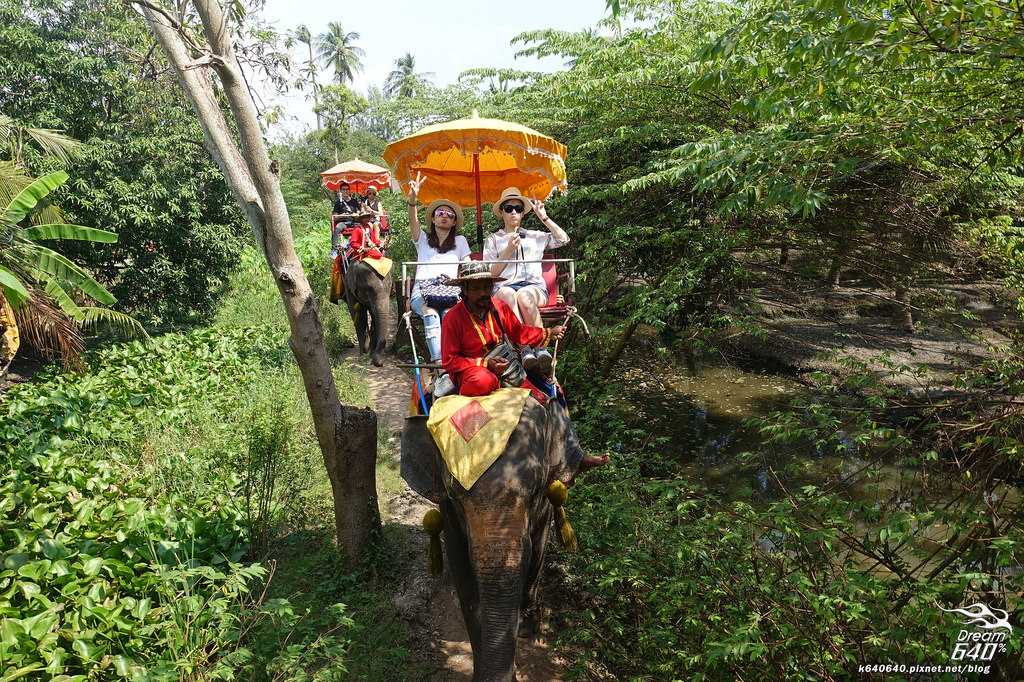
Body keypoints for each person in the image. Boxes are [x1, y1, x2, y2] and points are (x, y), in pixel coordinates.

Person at [441, 260, 609, 473]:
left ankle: (574, 454)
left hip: (507, 366)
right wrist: (485, 364)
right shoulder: (452, 318)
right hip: (473, 372)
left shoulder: (498, 307)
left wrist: (548, 333)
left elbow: (519, 332)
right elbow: (449, 361)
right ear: (464, 290)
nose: (483, 292)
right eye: (476, 288)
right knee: (483, 381)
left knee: (548, 396)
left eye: (486, 286)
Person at [483, 186, 570, 376]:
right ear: (502, 213)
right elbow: (490, 274)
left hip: (533, 289)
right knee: (508, 293)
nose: (514, 212)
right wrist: (507, 251)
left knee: (523, 295)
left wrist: (544, 218)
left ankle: (540, 346)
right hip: (503, 287)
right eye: (509, 208)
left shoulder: (535, 236)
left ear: (523, 213)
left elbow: (563, 239)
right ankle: (525, 348)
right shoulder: (493, 240)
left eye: (518, 208)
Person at [406, 172, 471, 365]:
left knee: (450, 315)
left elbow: (467, 264)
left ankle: (455, 360)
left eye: (449, 215)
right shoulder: (423, 240)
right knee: (431, 313)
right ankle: (439, 364)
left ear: (454, 222)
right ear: (433, 219)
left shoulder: (460, 241)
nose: (444, 216)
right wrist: (412, 201)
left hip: (449, 289)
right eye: (440, 213)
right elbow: (413, 222)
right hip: (423, 290)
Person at [331, 183, 361, 250]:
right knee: (337, 228)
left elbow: (359, 212)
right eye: (343, 189)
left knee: (363, 227)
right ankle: (334, 249)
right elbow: (335, 217)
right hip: (343, 223)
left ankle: (364, 244)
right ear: (341, 191)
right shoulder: (338, 203)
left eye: (347, 189)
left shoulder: (354, 201)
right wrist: (342, 215)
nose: (345, 191)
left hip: (353, 222)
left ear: (349, 190)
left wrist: (357, 214)